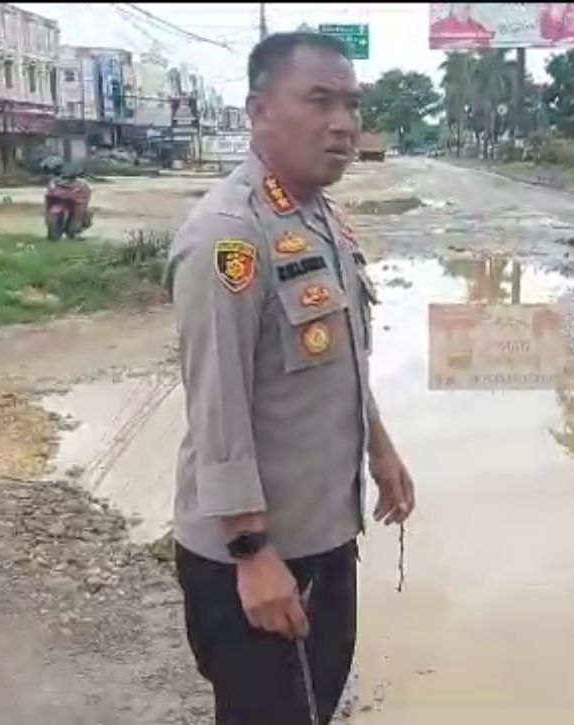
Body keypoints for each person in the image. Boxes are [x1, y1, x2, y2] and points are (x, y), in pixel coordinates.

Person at [165, 32, 416, 725]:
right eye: (319, 100)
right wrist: (251, 553)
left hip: (325, 531)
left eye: (351, 105)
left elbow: (338, 356)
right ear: (259, 110)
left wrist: (380, 448)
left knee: (315, 704)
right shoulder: (229, 235)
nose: (343, 122)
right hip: (259, 555)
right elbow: (218, 411)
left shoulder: (318, 218)